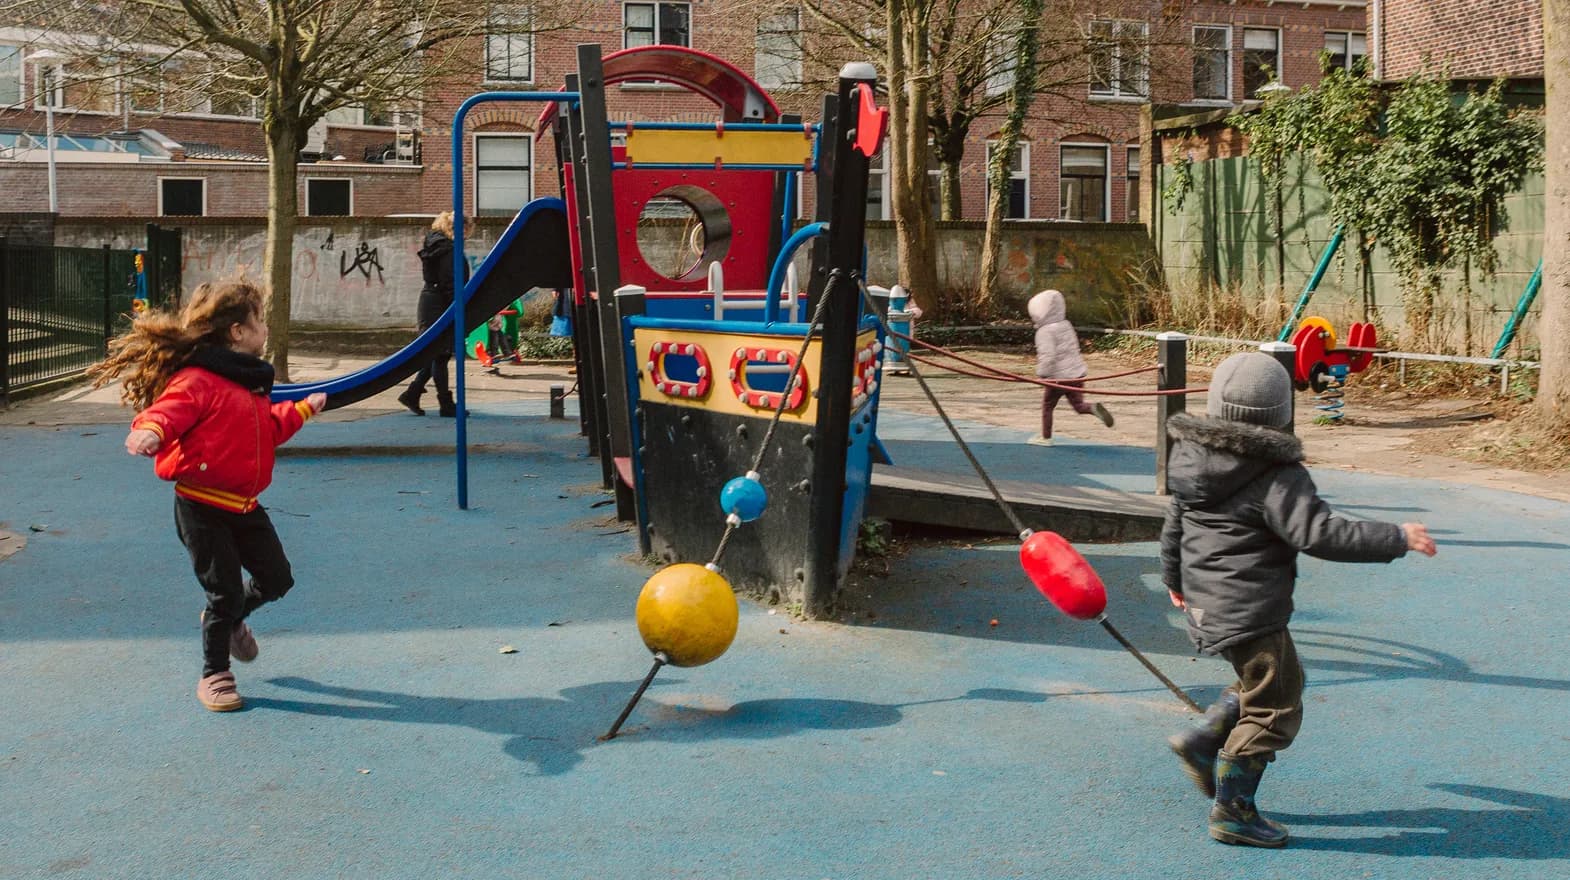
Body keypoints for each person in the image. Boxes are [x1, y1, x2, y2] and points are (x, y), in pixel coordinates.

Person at [1159, 352, 1437, 848]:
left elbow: (1175, 527)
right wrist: (1394, 536)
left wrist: (1174, 580)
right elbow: (1322, 534)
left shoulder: (1191, 459)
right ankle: (1234, 810)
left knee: (1273, 679)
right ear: (1283, 412)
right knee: (1276, 707)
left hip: (1204, 599)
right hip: (1249, 608)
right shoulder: (1276, 475)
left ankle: (1204, 741)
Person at [88, 280, 327, 713]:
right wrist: (151, 430)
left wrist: (302, 410)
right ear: (237, 332)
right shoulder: (199, 379)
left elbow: (265, 431)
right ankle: (215, 675)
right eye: (260, 321)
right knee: (223, 591)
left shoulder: (248, 383)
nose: (266, 328)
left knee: (277, 578)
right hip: (201, 505)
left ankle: (231, 619)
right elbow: (171, 409)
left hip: (244, 505)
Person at [398, 211, 467, 416]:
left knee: (436, 353)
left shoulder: (438, 245)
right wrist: (455, 309)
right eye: (461, 229)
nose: (464, 233)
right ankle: (445, 404)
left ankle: (413, 393)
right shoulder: (447, 249)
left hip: (432, 300)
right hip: (439, 303)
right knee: (440, 355)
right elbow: (450, 282)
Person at [1026, 289, 1113, 446]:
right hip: (1077, 374)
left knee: (1048, 406)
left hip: (1058, 378)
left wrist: (1042, 374)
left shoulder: (1044, 332)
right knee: (1078, 405)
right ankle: (1092, 408)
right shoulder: (1066, 324)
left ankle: (1045, 438)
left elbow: (1048, 356)